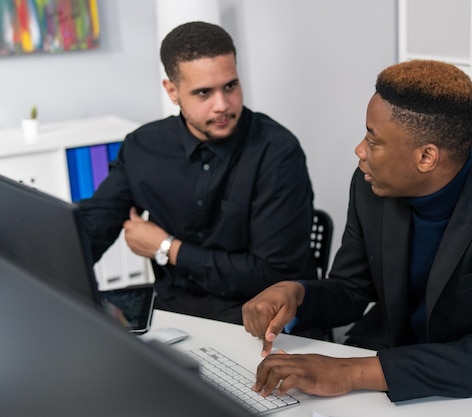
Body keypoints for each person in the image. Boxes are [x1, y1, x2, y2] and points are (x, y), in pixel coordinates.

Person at [242, 59, 472, 402]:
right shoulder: (370, 184)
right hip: (387, 372)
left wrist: (352, 372)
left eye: (373, 139)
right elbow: (352, 289)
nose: (360, 151)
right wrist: (297, 295)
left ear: (426, 157)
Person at [78, 21, 316, 324]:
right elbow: (95, 226)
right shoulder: (143, 146)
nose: (222, 105)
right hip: (172, 311)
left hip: (258, 315)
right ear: (172, 91)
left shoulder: (278, 152)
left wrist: (168, 249)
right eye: (203, 93)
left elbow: (273, 276)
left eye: (230, 86)